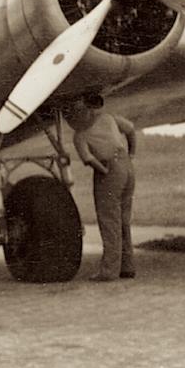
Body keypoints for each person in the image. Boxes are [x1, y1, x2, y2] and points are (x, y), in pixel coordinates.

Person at [65, 93, 138, 282]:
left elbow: (89, 159)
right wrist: (131, 155)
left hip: (108, 171)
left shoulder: (80, 135)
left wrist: (104, 170)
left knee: (109, 220)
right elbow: (131, 130)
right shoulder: (110, 118)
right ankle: (127, 266)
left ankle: (109, 270)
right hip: (126, 166)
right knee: (123, 219)